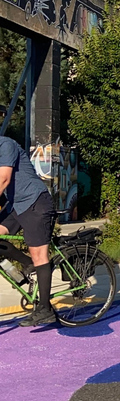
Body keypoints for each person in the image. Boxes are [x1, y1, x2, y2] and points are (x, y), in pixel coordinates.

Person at [0, 136, 57, 326]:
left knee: (40, 254)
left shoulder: (5, 145)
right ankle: (27, 263)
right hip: (16, 205)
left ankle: (45, 309)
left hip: (35, 202)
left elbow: (3, 179)